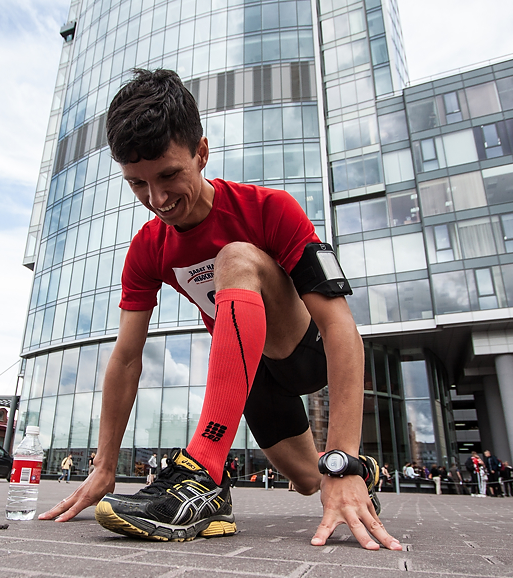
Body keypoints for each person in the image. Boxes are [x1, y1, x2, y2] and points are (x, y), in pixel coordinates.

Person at [38, 69, 399, 552]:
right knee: (308, 481)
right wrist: (104, 466)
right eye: (138, 184)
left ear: (201, 153)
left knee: (235, 256)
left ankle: (203, 470)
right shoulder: (148, 250)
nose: (157, 200)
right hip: (251, 374)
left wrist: (345, 459)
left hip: (301, 349)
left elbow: (340, 326)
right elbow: (125, 358)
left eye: (169, 175)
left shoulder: (269, 208)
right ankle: (366, 476)